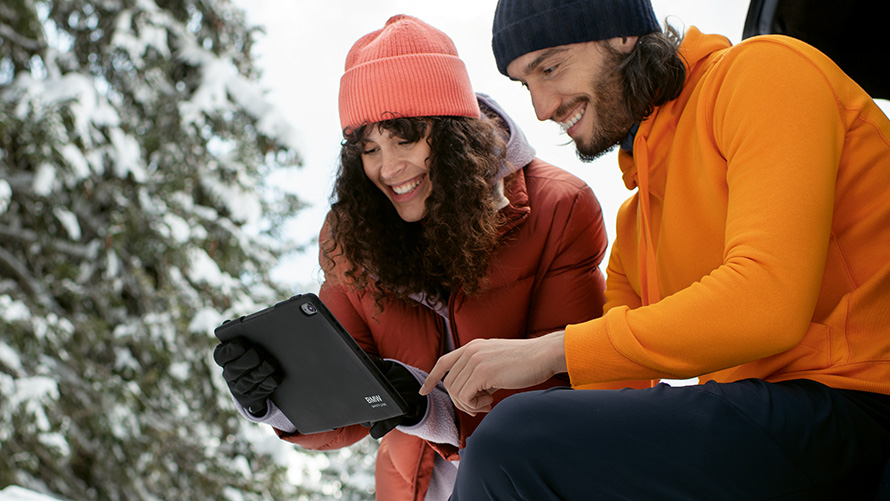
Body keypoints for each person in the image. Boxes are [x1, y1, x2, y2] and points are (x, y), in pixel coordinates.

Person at [420, 0, 890, 499]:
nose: (541, 108)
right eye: (525, 85)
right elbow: (604, 399)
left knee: (515, 442)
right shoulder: (638, 224)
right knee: (527, 455)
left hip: (860, 404)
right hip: (768, 430)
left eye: (550, 67)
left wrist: (548, 353)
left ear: (621, 33)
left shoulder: (765, 74)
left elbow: (768, 304)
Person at [213, 14, 627, 501]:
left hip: (536, 483)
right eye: (369, 149)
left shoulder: (558, 208)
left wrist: (428, 409)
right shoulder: (351, 237)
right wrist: (274, 397)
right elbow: (348, 402)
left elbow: (563, 390)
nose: (388, 168)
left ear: (453, 134)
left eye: (405, 138)